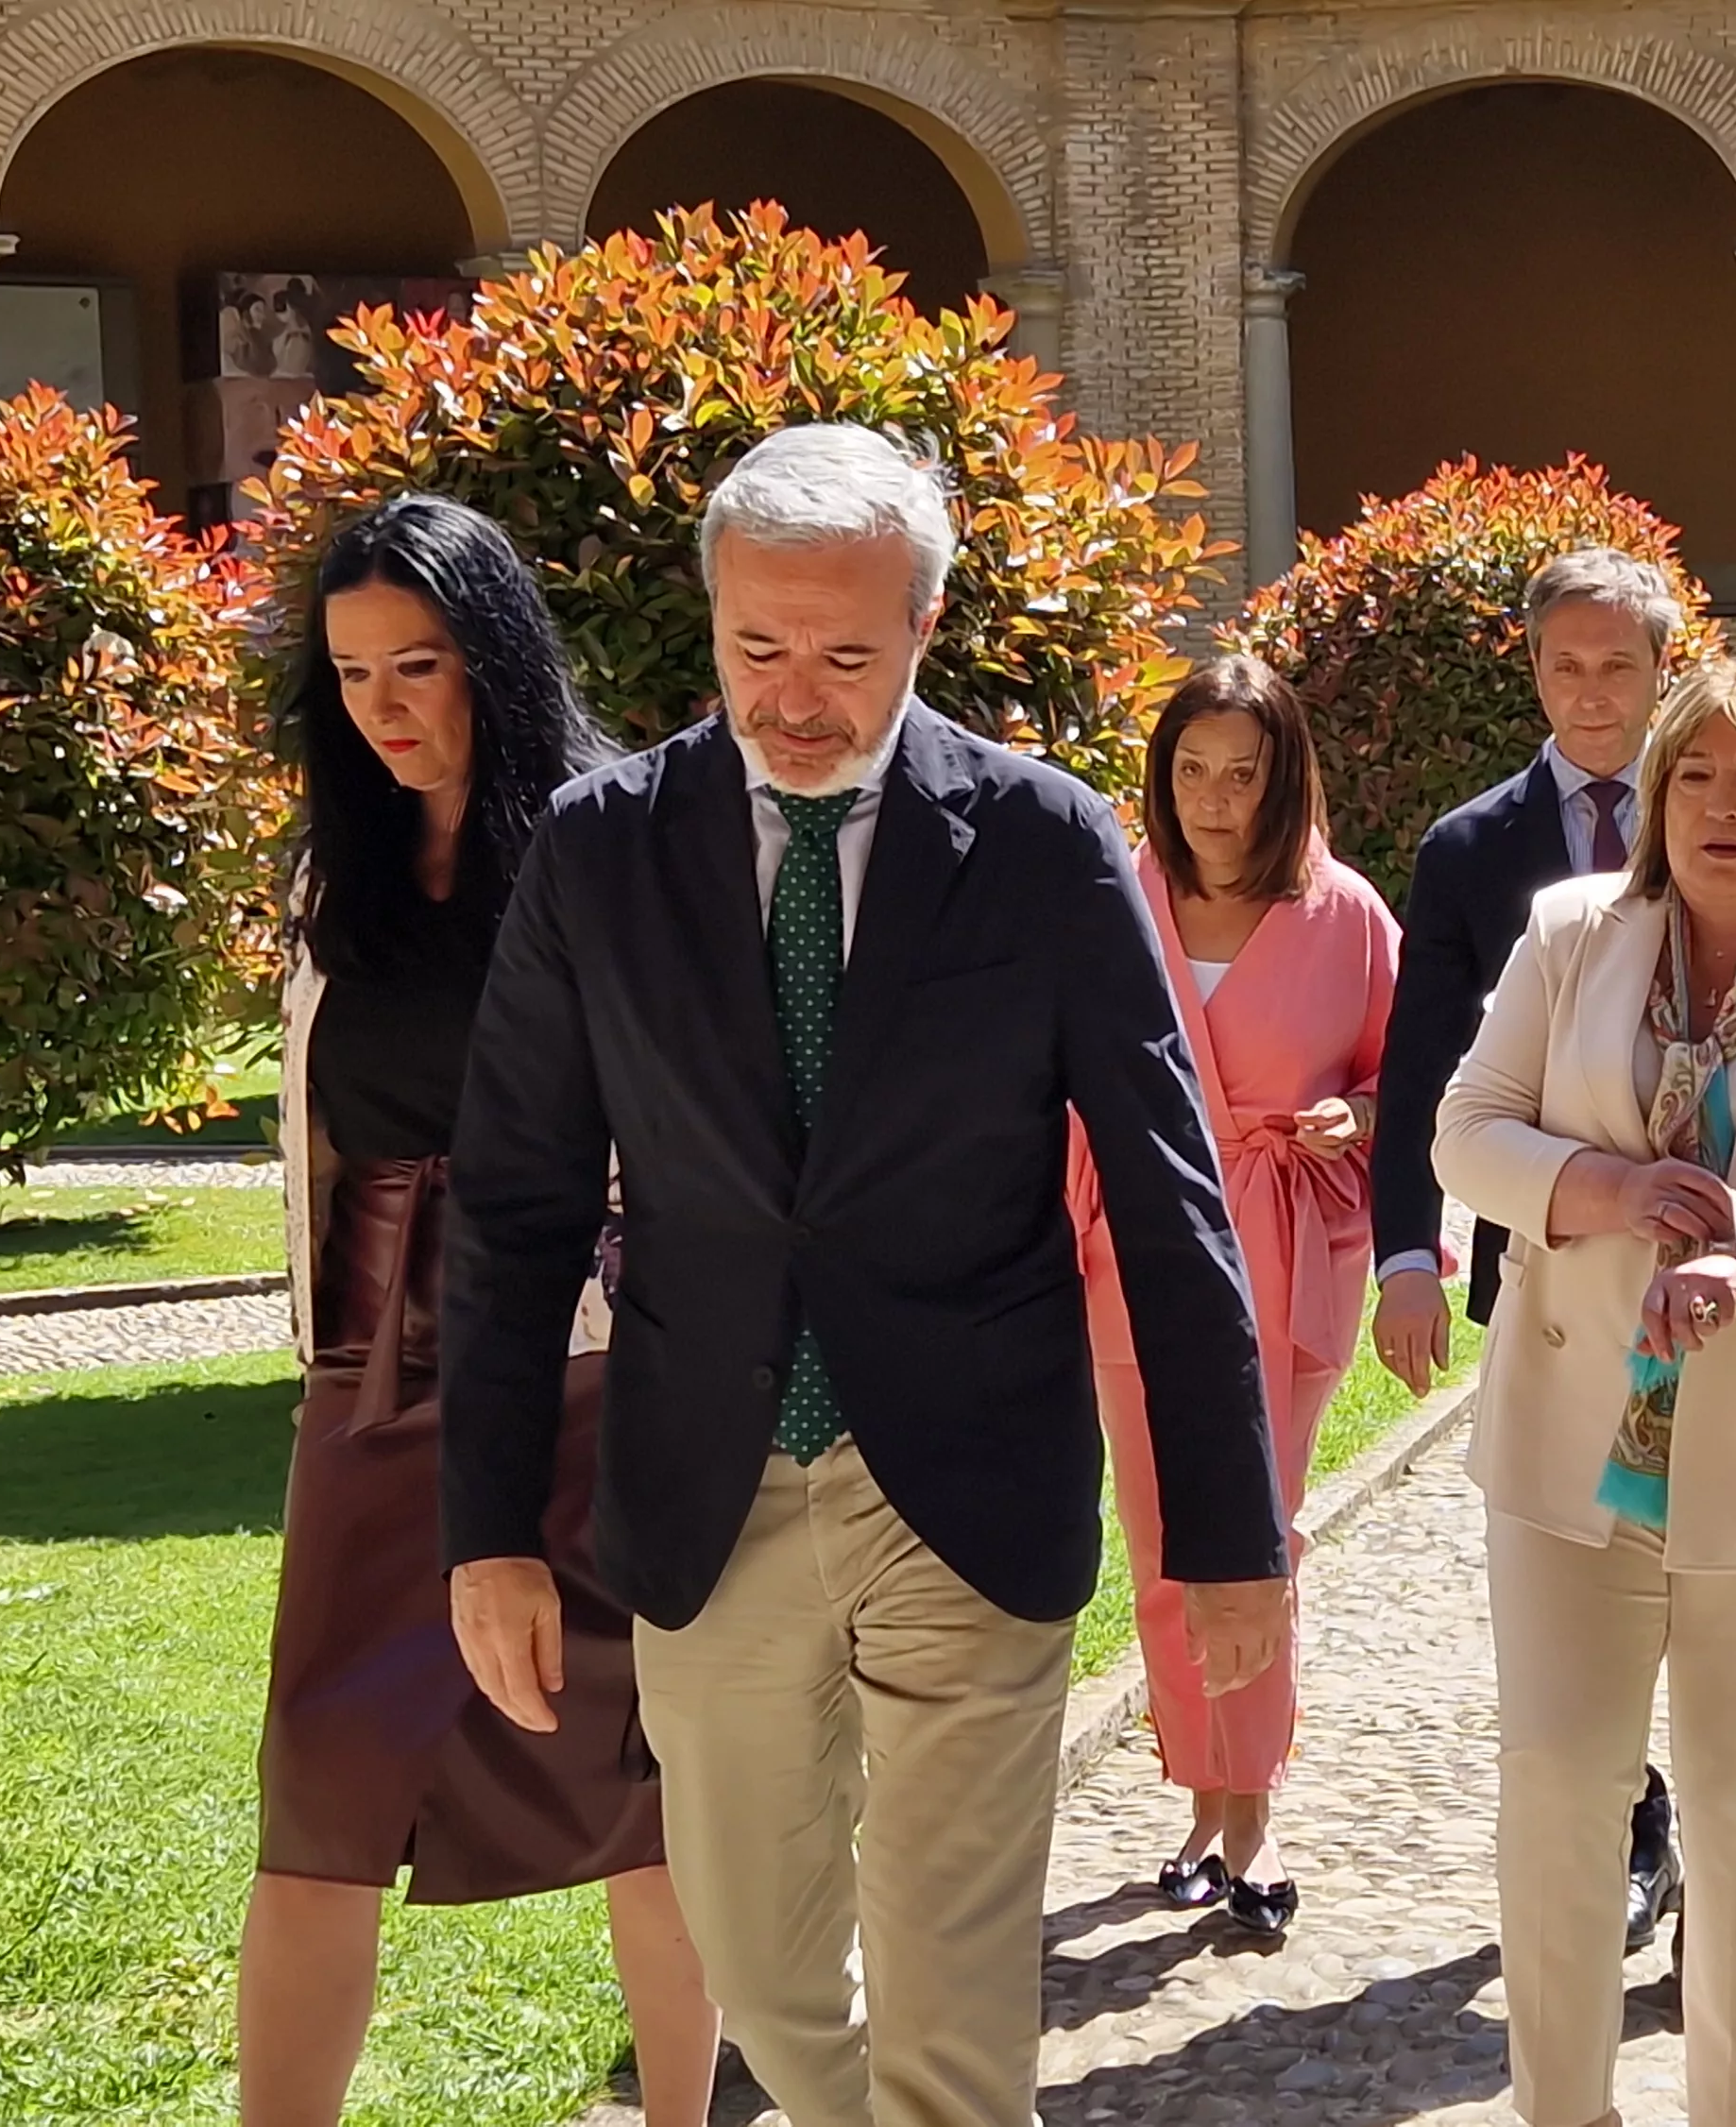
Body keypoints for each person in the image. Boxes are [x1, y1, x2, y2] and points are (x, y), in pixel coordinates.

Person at [436, 423, 1294, 2127]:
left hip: (968, 1484)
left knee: (954, 1993)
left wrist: (1228, 1534)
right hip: (710, 1482)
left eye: (842, 653)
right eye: (757, 648)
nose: (796, 696)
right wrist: (486, 1533)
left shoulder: (1043, 844)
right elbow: (517, 1206)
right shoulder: (600, 849)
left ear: (923, 627)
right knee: (761, 1972)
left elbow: (1165, 1189)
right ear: (711, 628)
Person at [246, 491, 719, 2127]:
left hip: (591, 1381)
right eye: (353, 673)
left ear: (495, 661)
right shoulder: (334, 870)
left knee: (648, 1791)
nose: (384, 706)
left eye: (420, 664)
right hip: (370, 1380)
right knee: (320, 1775)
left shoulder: (613, 842)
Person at [1434, 655, 1736, 2127]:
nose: (1722, 807)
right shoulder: (1575, 934)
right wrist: (1602, 1186)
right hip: (1573, 1455)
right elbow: (1464, 1133)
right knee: (1560, 1794)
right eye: (1695, 773)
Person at [1370, 546, 1690, 1948]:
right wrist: (1407, 1256)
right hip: (1554, 1277)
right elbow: (1428, 1073)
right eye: (1567, 664)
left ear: (1664, 666)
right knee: (1583, 1569)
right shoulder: (1471, 849)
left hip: (1723, 1278)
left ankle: (1722, 1856)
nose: (1593, 691)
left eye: (1619, 663)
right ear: (1534, 670)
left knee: (1709, 1567)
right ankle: (1630, 1826)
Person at [1066, 653, 1398, 1935]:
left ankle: (1250, 1805)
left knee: (1259, 1536)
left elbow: (1408, 1079)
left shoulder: (1349, 913)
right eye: (1192, 771)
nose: (1214, 800)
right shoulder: (1116, 898)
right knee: (1158, 1547)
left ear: (1282, 782)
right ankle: (1195, 1789)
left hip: (1284, 1250)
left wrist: (1349, 1114)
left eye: (1241, 775)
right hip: (1136, 1257)